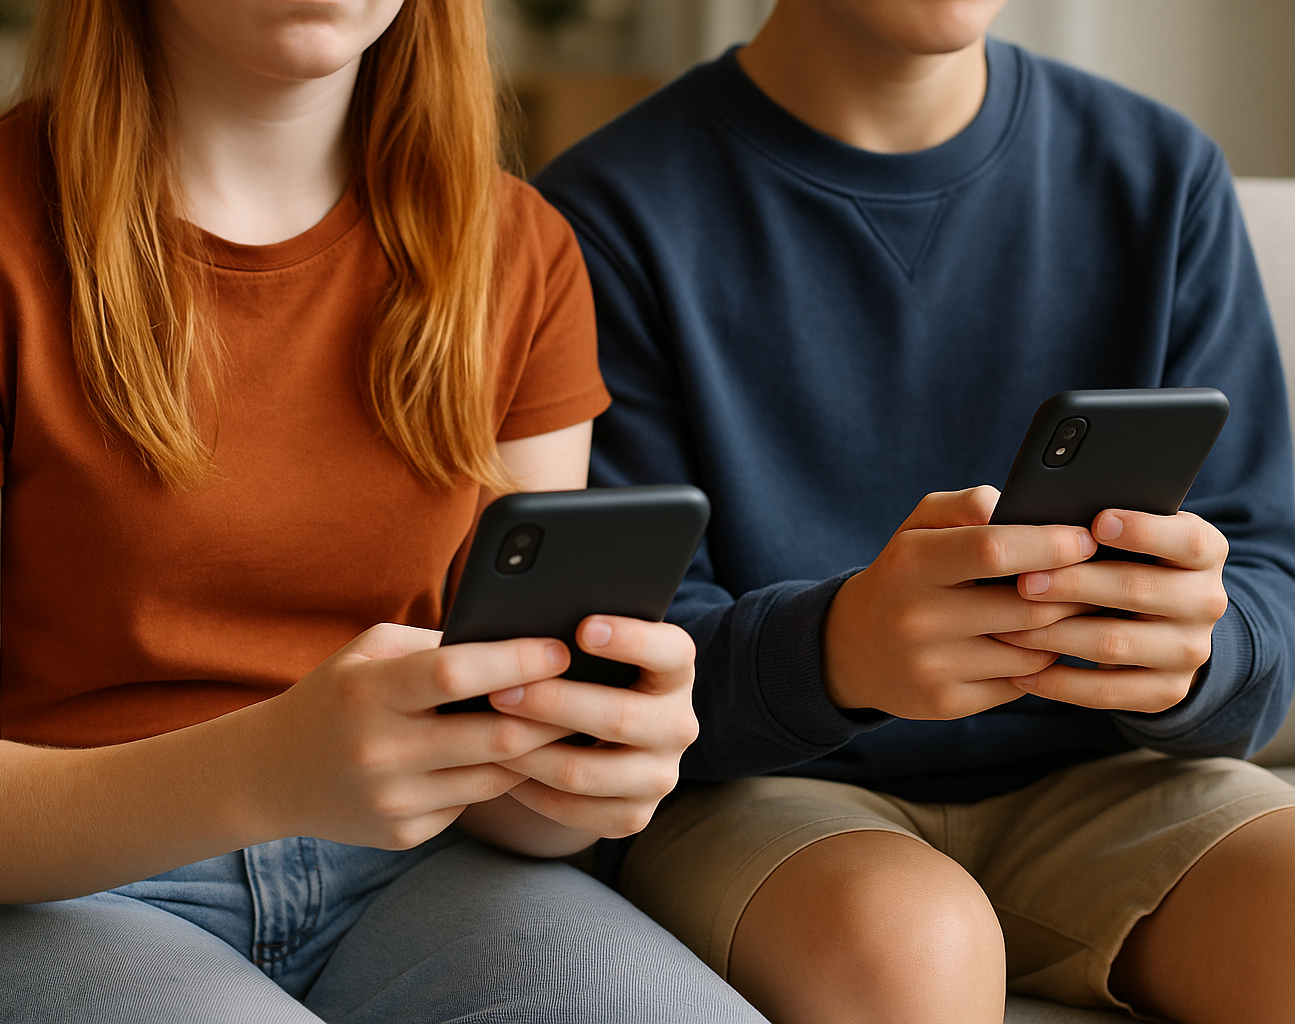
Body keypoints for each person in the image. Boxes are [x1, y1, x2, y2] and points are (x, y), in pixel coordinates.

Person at [0, 0, 772, 1021]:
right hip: (49, 892)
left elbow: (505, 800)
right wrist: (275, 765)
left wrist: (581, 773)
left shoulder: (520, 251)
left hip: (410, 876)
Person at [535, 0, 1295, 1021]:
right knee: (907, 951)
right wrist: (837, 651)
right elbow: (593, 671)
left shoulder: (1159, 175)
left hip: (1106, 782)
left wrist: (1202, 652)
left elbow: (1269, 579)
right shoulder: (604, 214)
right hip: (765, 794)